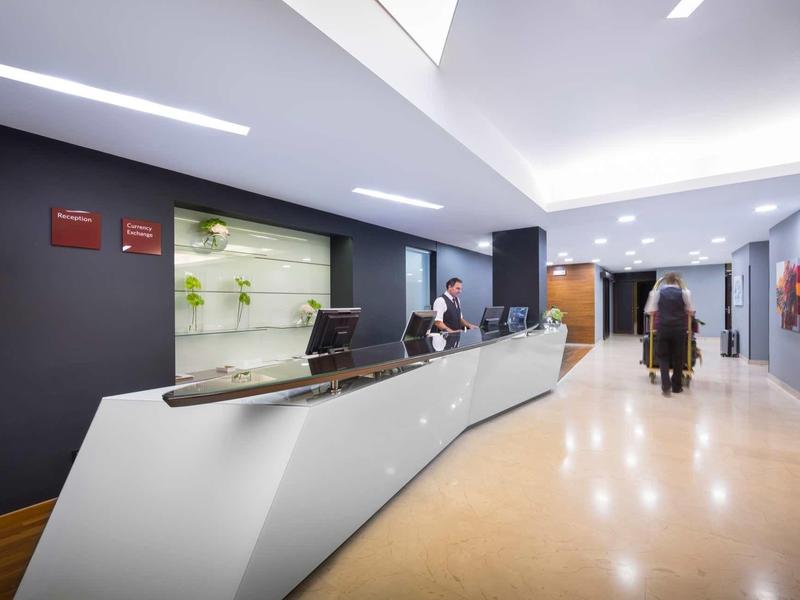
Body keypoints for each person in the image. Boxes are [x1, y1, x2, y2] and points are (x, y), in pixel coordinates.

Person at [644, 272, 695, 396]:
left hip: (663, 328)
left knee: (663, 356)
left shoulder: (656, 293)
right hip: (679, 329)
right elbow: (691, 311)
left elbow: (650, 311)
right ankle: (677, 387)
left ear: (666, 281)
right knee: (679, 357)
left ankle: (665, 385)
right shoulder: (685, 293)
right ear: (677, 281)